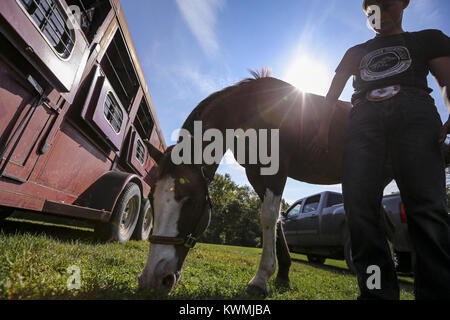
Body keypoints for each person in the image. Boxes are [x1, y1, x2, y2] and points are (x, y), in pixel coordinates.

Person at [312, 0, 450, 299]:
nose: (380, 14)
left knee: (426, 208)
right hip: (363, 118)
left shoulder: (427, 38)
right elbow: (332, 93)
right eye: (371, 10)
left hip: (415, 112)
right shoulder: (355, 52)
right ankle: (377, 294)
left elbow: (445, 81)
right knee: (359, 209)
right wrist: (323, 130)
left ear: (403, 3)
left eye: (386, 5)